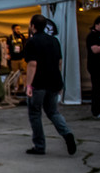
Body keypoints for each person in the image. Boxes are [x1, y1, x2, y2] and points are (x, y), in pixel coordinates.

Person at [23, 15, 76, 155]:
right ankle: (67, 133)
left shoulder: (32, 42)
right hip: (54, 81)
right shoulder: (54, 41)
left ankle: (40, 146)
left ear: (32, 26)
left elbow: (32, 64)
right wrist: (58, 81)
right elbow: (59, 62)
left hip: (39, 83)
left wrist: (28, 85)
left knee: (35, 114)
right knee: (53, 111)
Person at [8, 24, 27, 93]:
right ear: (13, 29)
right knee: (15, 74)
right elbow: (8, 47)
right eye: (16, 29)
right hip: (14, 59)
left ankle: (25, 86)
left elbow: (25, 46)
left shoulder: (22, 36)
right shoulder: (10, 37)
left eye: (19, 29)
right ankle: (16, 86)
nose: (18, 30)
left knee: (24, 72)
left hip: (22, 58)